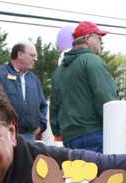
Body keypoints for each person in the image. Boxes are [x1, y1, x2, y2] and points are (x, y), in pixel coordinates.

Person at [50, 21, 118, 152]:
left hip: (69, 138)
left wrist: (57, 130)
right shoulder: (92, 60)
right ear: (87, 39)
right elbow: (106, 97)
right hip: (94, 133)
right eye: (98, 38)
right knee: (100, 172)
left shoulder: (59, 70)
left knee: (77, 173)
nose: (101, 43)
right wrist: (116, 125)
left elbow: (54, 106)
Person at [0, 42, 48, 143]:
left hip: (29, 136)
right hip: (3, 135)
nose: (36, 59)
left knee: (26, 159)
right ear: (20, 54)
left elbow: (43, 105)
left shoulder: (34, 80)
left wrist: (41, 125)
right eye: (32, 55)